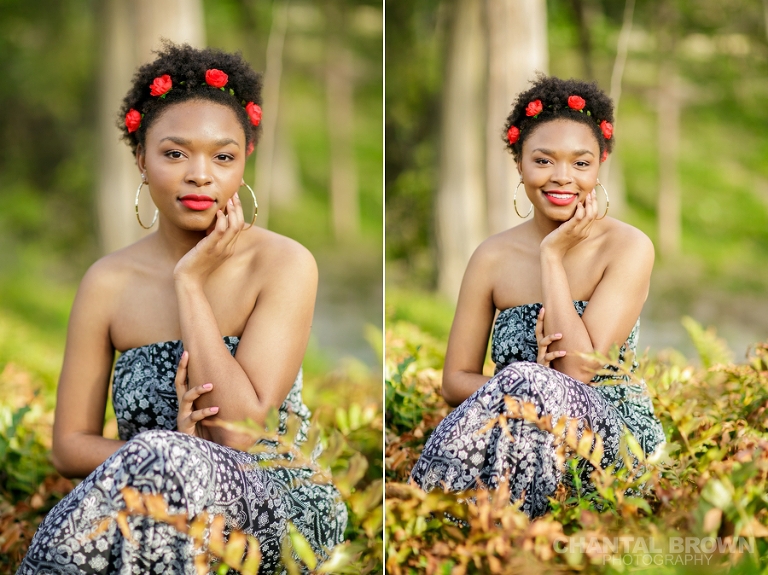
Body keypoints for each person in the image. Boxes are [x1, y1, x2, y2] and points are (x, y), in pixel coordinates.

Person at [18, 43, 346, 574]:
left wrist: (189, 283)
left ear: (244, 162)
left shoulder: (284, 264)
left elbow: (242, 433)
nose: (200, 175)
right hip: (151, 491)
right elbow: (68, 446)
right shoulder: (107, 282)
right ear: (141, 160)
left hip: (276, 500)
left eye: (223, 156)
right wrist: (169, 450)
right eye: (175, 154)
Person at [409, 76, 666, 518]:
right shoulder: (491, 257)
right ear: (519, 163)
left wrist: (552, 256)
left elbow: (579, 372)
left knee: (528, 380)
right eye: (544, 160)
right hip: (518, 429)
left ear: (600, 164)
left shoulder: (628, 247)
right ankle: (438, 527)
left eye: (580, 163)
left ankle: (439, 518)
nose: (562, 177)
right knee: (526, 385)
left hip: (607, 436)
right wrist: (527, 386)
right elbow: (456, 380)